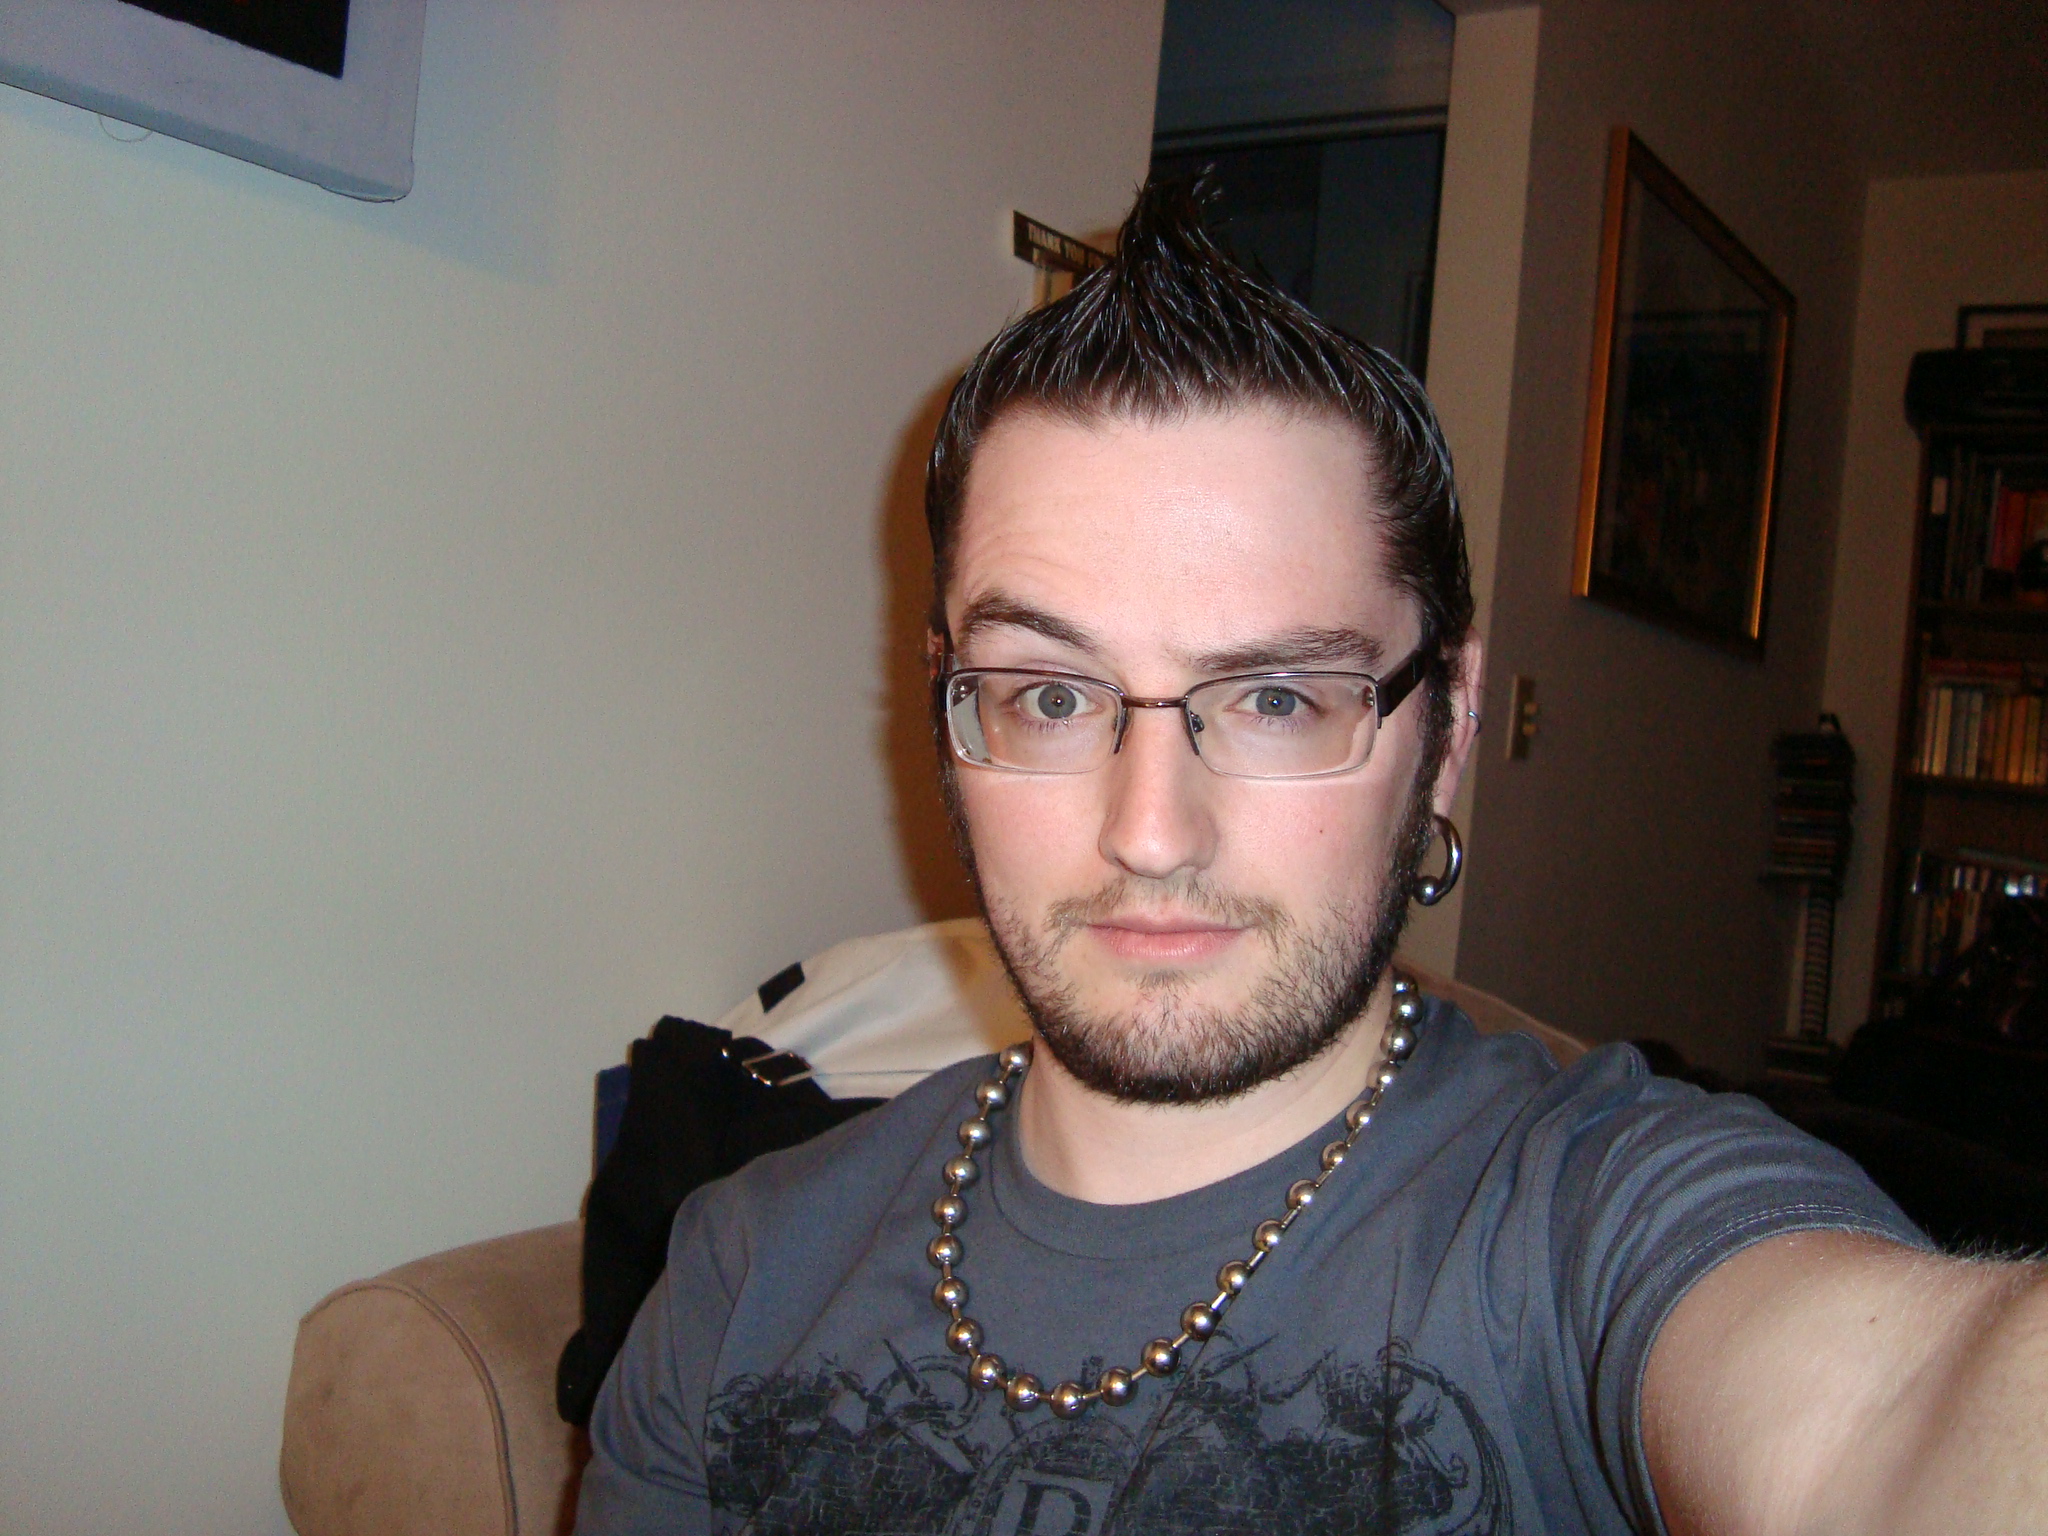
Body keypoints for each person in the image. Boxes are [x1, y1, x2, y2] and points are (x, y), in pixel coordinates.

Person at [577, 181, 2046, 1535]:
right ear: (947, 703)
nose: (1151, 831)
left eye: (1277, 697)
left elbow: (1906, 1416)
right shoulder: (741, 1271)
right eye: (1050, 697)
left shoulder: (1590, 1224)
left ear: (1447, 728)